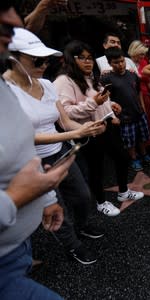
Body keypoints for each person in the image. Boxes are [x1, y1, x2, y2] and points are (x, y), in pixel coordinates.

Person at [4, 28, 107, 264]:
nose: (44, 64)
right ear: (13, 59)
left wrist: (88, 128)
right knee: (54, 206)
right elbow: (22, 137)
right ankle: (72, 245)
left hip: (62, 154)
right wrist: (75, 133)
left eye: (46, 59)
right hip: (30, 163)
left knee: (82, 196)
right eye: (36, 60)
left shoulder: (47, 85)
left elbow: (64, 121)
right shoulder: (6, 92)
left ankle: (82, 227)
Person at [0, 4, 71, 299]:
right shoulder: (11, 85)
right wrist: (17, 198)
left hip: (15, 244)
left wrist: (44, 197)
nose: (14, 21)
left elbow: (19, 145)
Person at [54, 40, 144, 217]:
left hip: (107, 126)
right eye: (82, 58)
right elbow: (66, 113)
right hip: (88, 131)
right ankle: (101, 202)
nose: (88, 62)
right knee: (96, 169)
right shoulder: (64, 81)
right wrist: (93, 103)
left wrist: (112, 106)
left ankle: (123, 192)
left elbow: (101, 98)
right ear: (72, 59)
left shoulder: (91, 77)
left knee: (123, 157)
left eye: (90, 58)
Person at [102, 47, 150, 171]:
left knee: (142, 136)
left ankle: (144, 155)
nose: (120, 65)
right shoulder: (107, 78)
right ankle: (134, 158)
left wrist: (142, 107)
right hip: (124, 116)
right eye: (116, 62)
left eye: (122, 61)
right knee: (129, 141)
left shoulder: (132, 74)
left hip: (138, 112)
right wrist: (113, 116)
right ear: (109, 63)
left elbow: (138, 92)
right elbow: (105, 99)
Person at [128, 40, 150, 151]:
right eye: (141, 54)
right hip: (134, 97)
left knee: (149, 120)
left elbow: (149, 81)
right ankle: (141, 147)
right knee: (138, 122)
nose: (143, 56)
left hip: (146, 95)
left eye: (144, 54)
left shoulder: (144, 62)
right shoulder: (127, 63)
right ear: (134, 52)